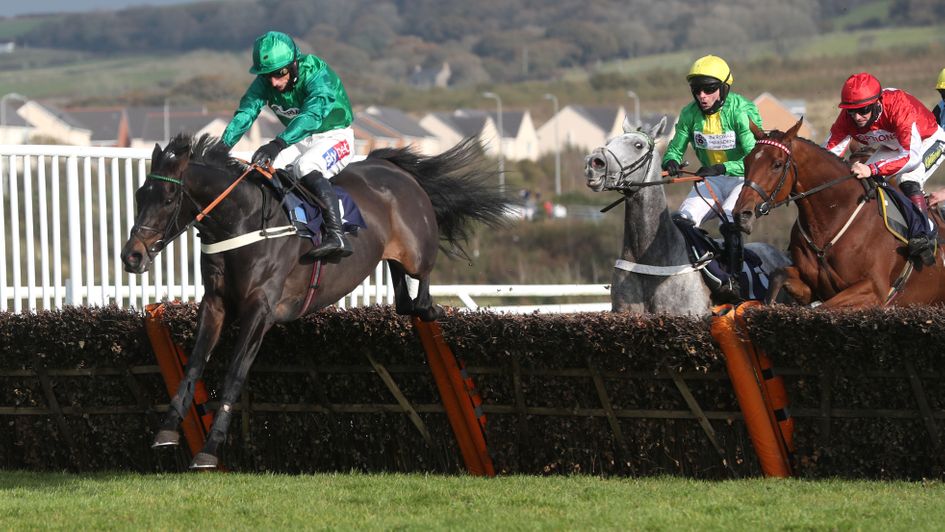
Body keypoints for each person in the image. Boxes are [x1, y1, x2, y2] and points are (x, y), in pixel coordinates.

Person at [221, 30, 355, 261]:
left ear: (294, 63)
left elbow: (312, 115)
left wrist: (278, 143)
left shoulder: (316, 72)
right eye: (267, 76)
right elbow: (246, 112)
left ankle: (337, 234)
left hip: (335, 136)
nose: (274, 82)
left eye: (279, 73)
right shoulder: (266, 82)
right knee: (261, 168)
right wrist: (222, 147)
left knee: (306, 165)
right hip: (299, 139)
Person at [661, 55, 762, 295]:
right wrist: (671, 160)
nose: (702, 96)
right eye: (697, 90)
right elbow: (674, 149)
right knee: (680, 221)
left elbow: (755, 159)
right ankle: (711, 267)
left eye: (709, 89)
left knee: (728, 221)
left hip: (743, 180)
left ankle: (735, 281)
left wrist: (722, 167)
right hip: (712, 180)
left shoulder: (741, 110)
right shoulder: (689, 113)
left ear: (724, 88)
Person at [824, 72, 945, 266]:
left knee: (908, 179)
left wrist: (872, 169)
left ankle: (924, 234)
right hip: (895, 145)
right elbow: (828, 155)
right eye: (851, 111)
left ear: (876, 103)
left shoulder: (898, 105)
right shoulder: (847, 119)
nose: (857, 117)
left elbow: (911, 156)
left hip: (928, 141)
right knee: (864, 182)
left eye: (863, 110)